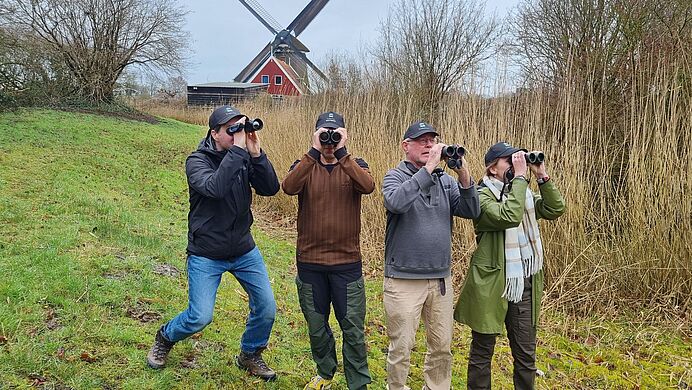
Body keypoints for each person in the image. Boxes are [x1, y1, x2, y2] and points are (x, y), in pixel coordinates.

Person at [146, 105, 281, 381]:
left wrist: (256, 155)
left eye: (239, 128)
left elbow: (270, 188)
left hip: (243, 249)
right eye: (231, 130)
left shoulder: (242, 156)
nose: (237, 136)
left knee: (266, 307)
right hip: (206, 254)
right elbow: (215, 189)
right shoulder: (196, 161)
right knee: (199, 317)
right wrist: (239, 153)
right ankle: (165, 336)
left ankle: (250, 355)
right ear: (214, 134)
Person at [454, 142, 566, 390]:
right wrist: (521, 179)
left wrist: (542, 176)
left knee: (526, 355)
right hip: (491, 283)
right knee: (483, 353)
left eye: (519, 161)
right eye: (510, 162)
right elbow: (508, 216)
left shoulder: (522, 195)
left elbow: (555, 208)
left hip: (523, 282)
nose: (517, 167)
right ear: (492, 168)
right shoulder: (481, 196)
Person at [382, 120, 481, 390]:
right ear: (406, 146)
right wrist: (427, 168)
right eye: (422, 140)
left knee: (441, 347)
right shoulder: (394, 177)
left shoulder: (445, 182)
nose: (429, 145)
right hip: (403, 279)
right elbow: (397, 203)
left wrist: (463, 174)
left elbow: (471, 212)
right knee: (401, 348)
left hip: (439, 280)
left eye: (432, 140)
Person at [282, 111, 375, 390]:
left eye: (336, 133)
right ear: (315, 134)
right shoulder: (304, 165)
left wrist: (343, 153)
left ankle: (358, 382)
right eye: (324, 132)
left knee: (354, 330)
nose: (330, 139)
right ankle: (325, 372)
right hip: (310, 264)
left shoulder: (355, 164)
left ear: (345, 135)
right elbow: (288, 187)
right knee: (316, 325)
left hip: (347, 264)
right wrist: (313, 151)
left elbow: (368, 186)